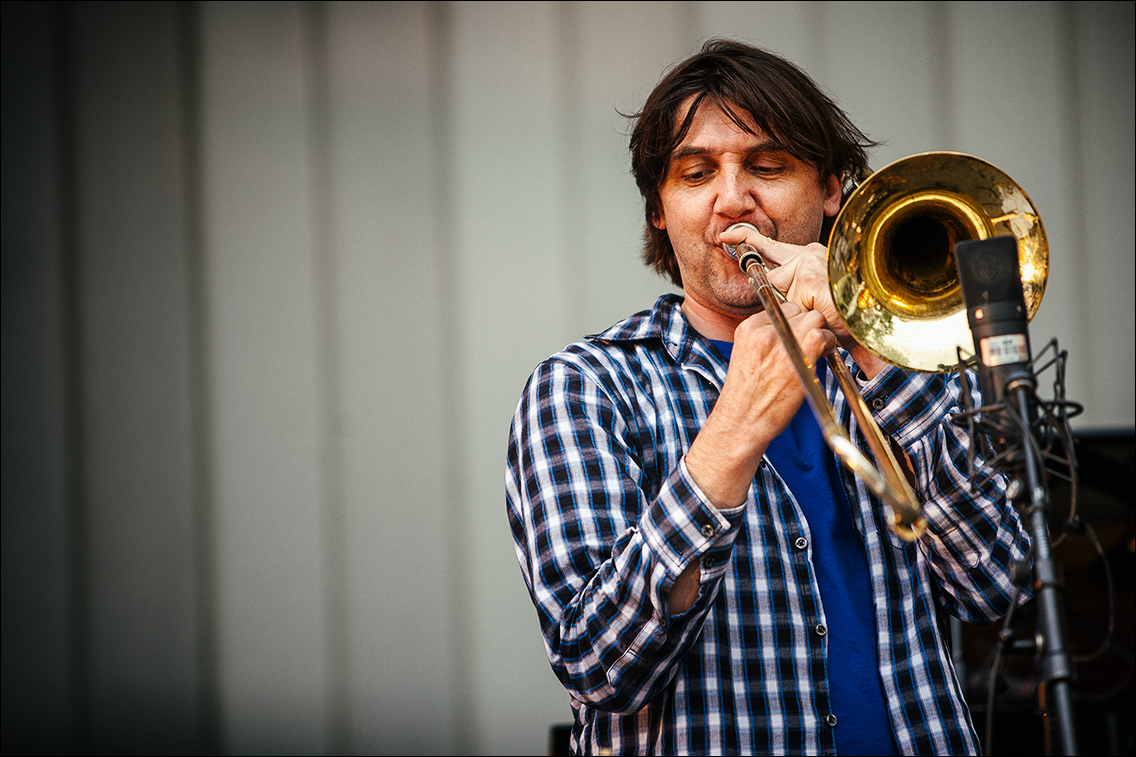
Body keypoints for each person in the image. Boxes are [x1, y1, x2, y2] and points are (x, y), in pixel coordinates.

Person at [506, 40, 1029, 756]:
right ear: (660, 209)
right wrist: (732, 431)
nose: (732, 199)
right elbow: (600, 667)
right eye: (695, 173)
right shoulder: (583, 388)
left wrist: (871, 341)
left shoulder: (911, 365)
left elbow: (994, 586)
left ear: (832, 190)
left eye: (768, 165)